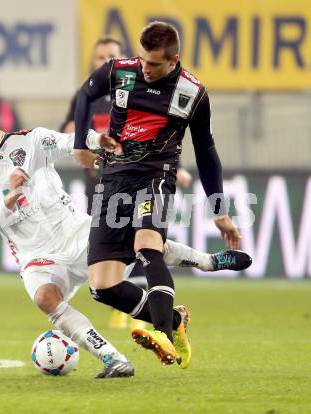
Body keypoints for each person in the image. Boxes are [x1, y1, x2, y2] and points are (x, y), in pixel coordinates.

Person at [0, 97, 250, 377]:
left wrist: (100, 143)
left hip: (76, 232)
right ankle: (115, 360)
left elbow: (72, 142)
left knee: (138, 242)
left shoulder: (31, 140)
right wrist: (12, 195)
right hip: (35, 256)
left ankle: (208, 261)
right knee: (45, 298)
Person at [73, 21, 248, 369]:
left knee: (147, 248)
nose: (145, 70)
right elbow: (84, 95)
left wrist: (219, 210)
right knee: (102, 286)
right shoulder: (121, 71)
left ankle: (163, 335)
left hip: (157, 177)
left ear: (174, 59)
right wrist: (81, 144)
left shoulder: (192, 92)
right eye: (142, 61)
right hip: (113, 181)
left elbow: (206, 151)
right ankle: (176, 316)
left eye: (153, 64)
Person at [61, 35, 193, 330]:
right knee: (109, 256)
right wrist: (89, 140)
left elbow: (158, 138)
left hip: (138, 177)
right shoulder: (88, 96)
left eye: (110, 55)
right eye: (99, 57)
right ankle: (139, 301)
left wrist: (177, 169)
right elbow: (69, 129)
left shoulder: (136, 89)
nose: (104, 61)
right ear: (94, 61)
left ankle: (153, 312)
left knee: (143, 239)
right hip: (99, 181)